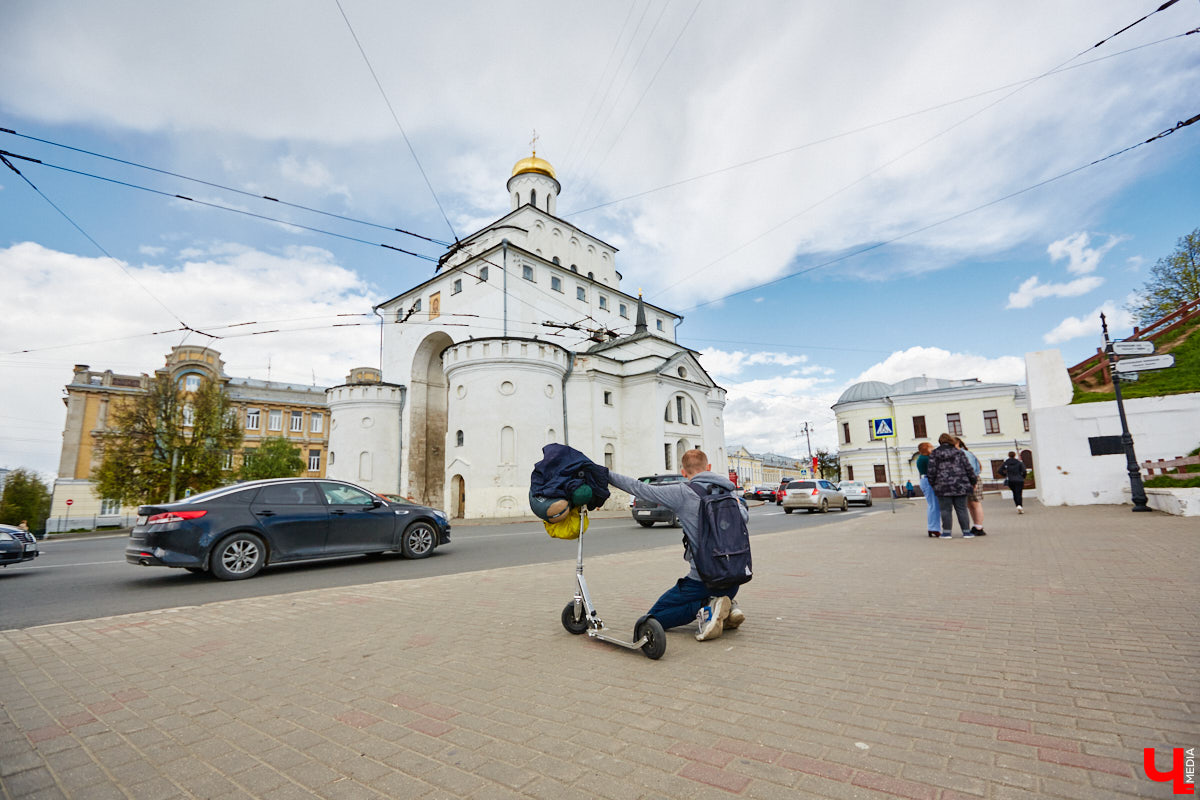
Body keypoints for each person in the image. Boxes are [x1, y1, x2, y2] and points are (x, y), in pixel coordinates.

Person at [607, 448, 748, 641]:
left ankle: (710, 605)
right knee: (714, 594)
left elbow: (640, 489)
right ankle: (728, 604)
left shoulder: (683, 492)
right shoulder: (730, 493)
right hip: (735, 577)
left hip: (703, 580)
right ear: (709, 467)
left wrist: (605, 474)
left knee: (651, 618)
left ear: (683, 472)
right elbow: (744, 518)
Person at [926, 433, 976, 539]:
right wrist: (973, 481)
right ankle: (966, 532)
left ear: (940, 442)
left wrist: (933, 484)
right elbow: (968, 468)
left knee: (945, 510)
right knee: (962, 509)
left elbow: (931, 471)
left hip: (942, 486)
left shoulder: (934, 454)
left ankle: (947, 533)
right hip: (961, 484)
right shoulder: (959, 452)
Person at [955, 438, 987, 536]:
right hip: (970, 480)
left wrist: (973, 482)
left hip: (972, 480)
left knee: (975, 503)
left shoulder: (964, 454)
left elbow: (971, 468)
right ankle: (976, 525)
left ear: (957, 443)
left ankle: (979, 527)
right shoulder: (965, 453)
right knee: (971, 504)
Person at [916, 442, 941, 537]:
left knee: (932, 505)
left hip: (925, 481)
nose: (933, 449)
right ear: (926, 449)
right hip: (929, 481)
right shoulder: (926, 458)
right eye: (931, 447)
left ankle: (932, 528)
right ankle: (934, 528)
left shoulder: (921, 458)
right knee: (934, 506)